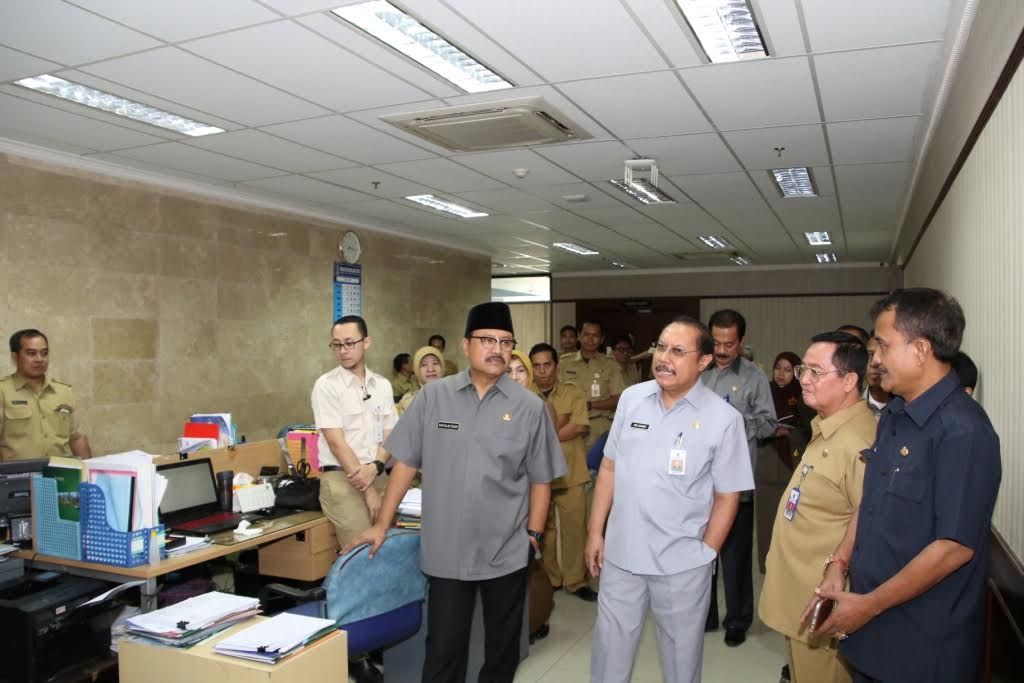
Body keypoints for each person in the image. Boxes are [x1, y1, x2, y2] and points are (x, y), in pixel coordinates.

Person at [348, 302, 565, 683]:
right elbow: (405, 464)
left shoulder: (529, 408)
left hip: (506, 549)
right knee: (445, 648)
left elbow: (541, 479)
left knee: (502, 648)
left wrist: (533, 536)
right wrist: (382, 524)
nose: (497, 349)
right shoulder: (433, 397)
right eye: (487, 340)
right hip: (447, 549)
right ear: (466, 345)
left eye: (505, 342)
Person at [808, 288, 1001, 683]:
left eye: (883, 344)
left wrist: (868, 606)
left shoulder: (964, 432)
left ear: (920, 350)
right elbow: (872, 499)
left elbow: (953, 548)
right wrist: (839, 564)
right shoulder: (896, 414)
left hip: (923, 647)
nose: (874, 358)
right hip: (871, 631)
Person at [586, 316, 752, 683]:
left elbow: (729, 496)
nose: (664, 357)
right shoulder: (632, 399)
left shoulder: (724, 419)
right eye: (661, 347)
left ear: (704, 361)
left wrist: (706, 552)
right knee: (608, 656)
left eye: (678, 351)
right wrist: (596, 532)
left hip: (681, 564)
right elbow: (610, 468)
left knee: (680, 662)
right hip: (622, 558)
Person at [759, 332, 874, 683]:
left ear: (849, 381)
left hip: (820, 602)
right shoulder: (827, 428)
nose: (802, 380)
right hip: (798, 596)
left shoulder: (858, 442)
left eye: (815, 372)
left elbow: (867, 523)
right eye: (801, 369)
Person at [311, 315, 397, 683]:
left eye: (350, 343)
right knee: (361, 562)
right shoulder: (326, 386)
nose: (344, 350)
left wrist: (377, 468)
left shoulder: (381, 385)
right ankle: (355, 654)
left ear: (367, 342)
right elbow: (336, 442)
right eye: (337, 344)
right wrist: (369, 485)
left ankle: (381, 640)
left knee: (386, 558)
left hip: (375, 474)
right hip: (343, 483)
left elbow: (392, 432)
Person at [701, 309, 776, 645]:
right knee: (700, 554)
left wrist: (734, 421)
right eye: (716, 342)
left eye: (729, 343)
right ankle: (704, 616)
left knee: (735, 555)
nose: (721, 349)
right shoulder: (697, 370)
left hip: (735, 483)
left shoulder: (754, 376)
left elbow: (769, 424)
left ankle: (738, 620)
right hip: (697, 482)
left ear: (740, 342)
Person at [529, 342, 595, 602]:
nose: (543, 371)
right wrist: (560, 424)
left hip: (571, 472)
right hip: (538, 475)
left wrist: (544, 432)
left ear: (556, 366)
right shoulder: (524, 393)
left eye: (547, 364)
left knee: (575, 529)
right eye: (537, 365)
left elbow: (580, 427)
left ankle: (576, 580)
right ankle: (551, 578)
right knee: (544, 530)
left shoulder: (573, 391)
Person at [755, 351, 813, 575]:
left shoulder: (803, 396)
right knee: (767, 517)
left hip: (795, 463)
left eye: (788, 370)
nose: (781, 374)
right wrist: (768, 429)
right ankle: (767, 564)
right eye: (778, 367)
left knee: (793, 519)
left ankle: (790, 566)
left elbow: (812, 430)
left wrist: (792, 434)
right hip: (767, 462)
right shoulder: (764, 393)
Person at [1, 329, 91, 462]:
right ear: (15, 357)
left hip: (60, 474)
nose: (39, 359)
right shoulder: (3, 392)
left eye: (44, 353)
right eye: (31, 353)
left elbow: (76, 438)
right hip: (18, 477)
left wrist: (90, 472)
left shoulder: (63, 392)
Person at [558, 320, 625, 451]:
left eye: (595, 336)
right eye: (587, 334)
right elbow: (557, 395)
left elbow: (618, 399)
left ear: (601, 340)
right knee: (571, 469)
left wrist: (590, 405)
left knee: (598, 469)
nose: (590, 339)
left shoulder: (610, 365)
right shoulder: (565, 362)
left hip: (599, 427)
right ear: (579, 336)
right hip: (570, 426)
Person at [396, 346, 444, 416]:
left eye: (435, 363)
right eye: (424, 364)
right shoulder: (408, 402)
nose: (430, 369)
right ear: (416, 370)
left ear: (443, 367)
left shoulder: (456, 398)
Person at [862, 336, 891, 418]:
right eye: (870, 354)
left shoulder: (907, 405)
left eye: (882, 354)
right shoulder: (852, 403)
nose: (873, 363)